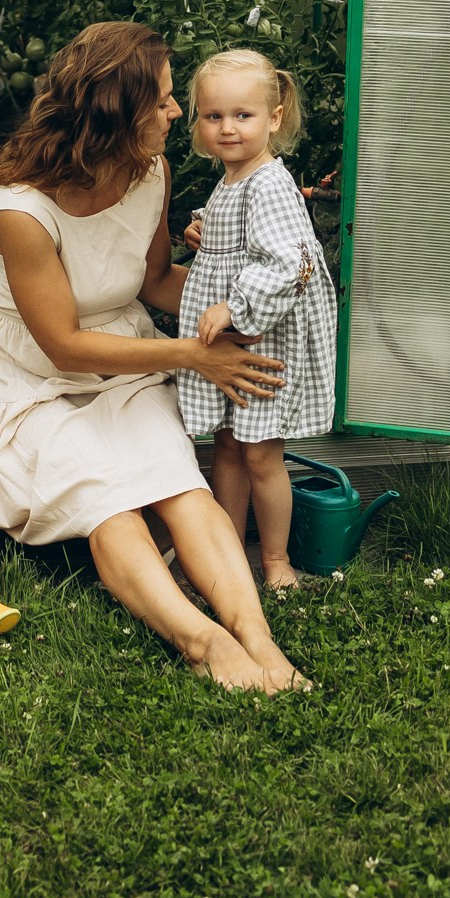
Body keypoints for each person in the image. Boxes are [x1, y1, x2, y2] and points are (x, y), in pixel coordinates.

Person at [0, 21, 308, 693]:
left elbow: (156, 282)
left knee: (179, 482)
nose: (178, 113)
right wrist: (196, 357)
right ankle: (201, 643)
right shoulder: (20, 212)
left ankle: (258, 640)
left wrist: (254, 309)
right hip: (33, 380)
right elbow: (63, 343)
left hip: (130, 359)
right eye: (165, 100)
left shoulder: (151, 173)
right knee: (110, 500)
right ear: (119, 113)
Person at [176, 51, 337, 591]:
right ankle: (225, 549)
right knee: (227, 443)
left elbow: (289, 263)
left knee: (263, 455)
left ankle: (274, 560)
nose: (226, 128)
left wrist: (234, 307)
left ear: (273, 118)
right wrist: (203, 229)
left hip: (262, 338)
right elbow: (241, 235)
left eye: (242, 115)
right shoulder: (235, 179)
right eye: (213, 116)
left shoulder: (268, 182)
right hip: (240, 343)